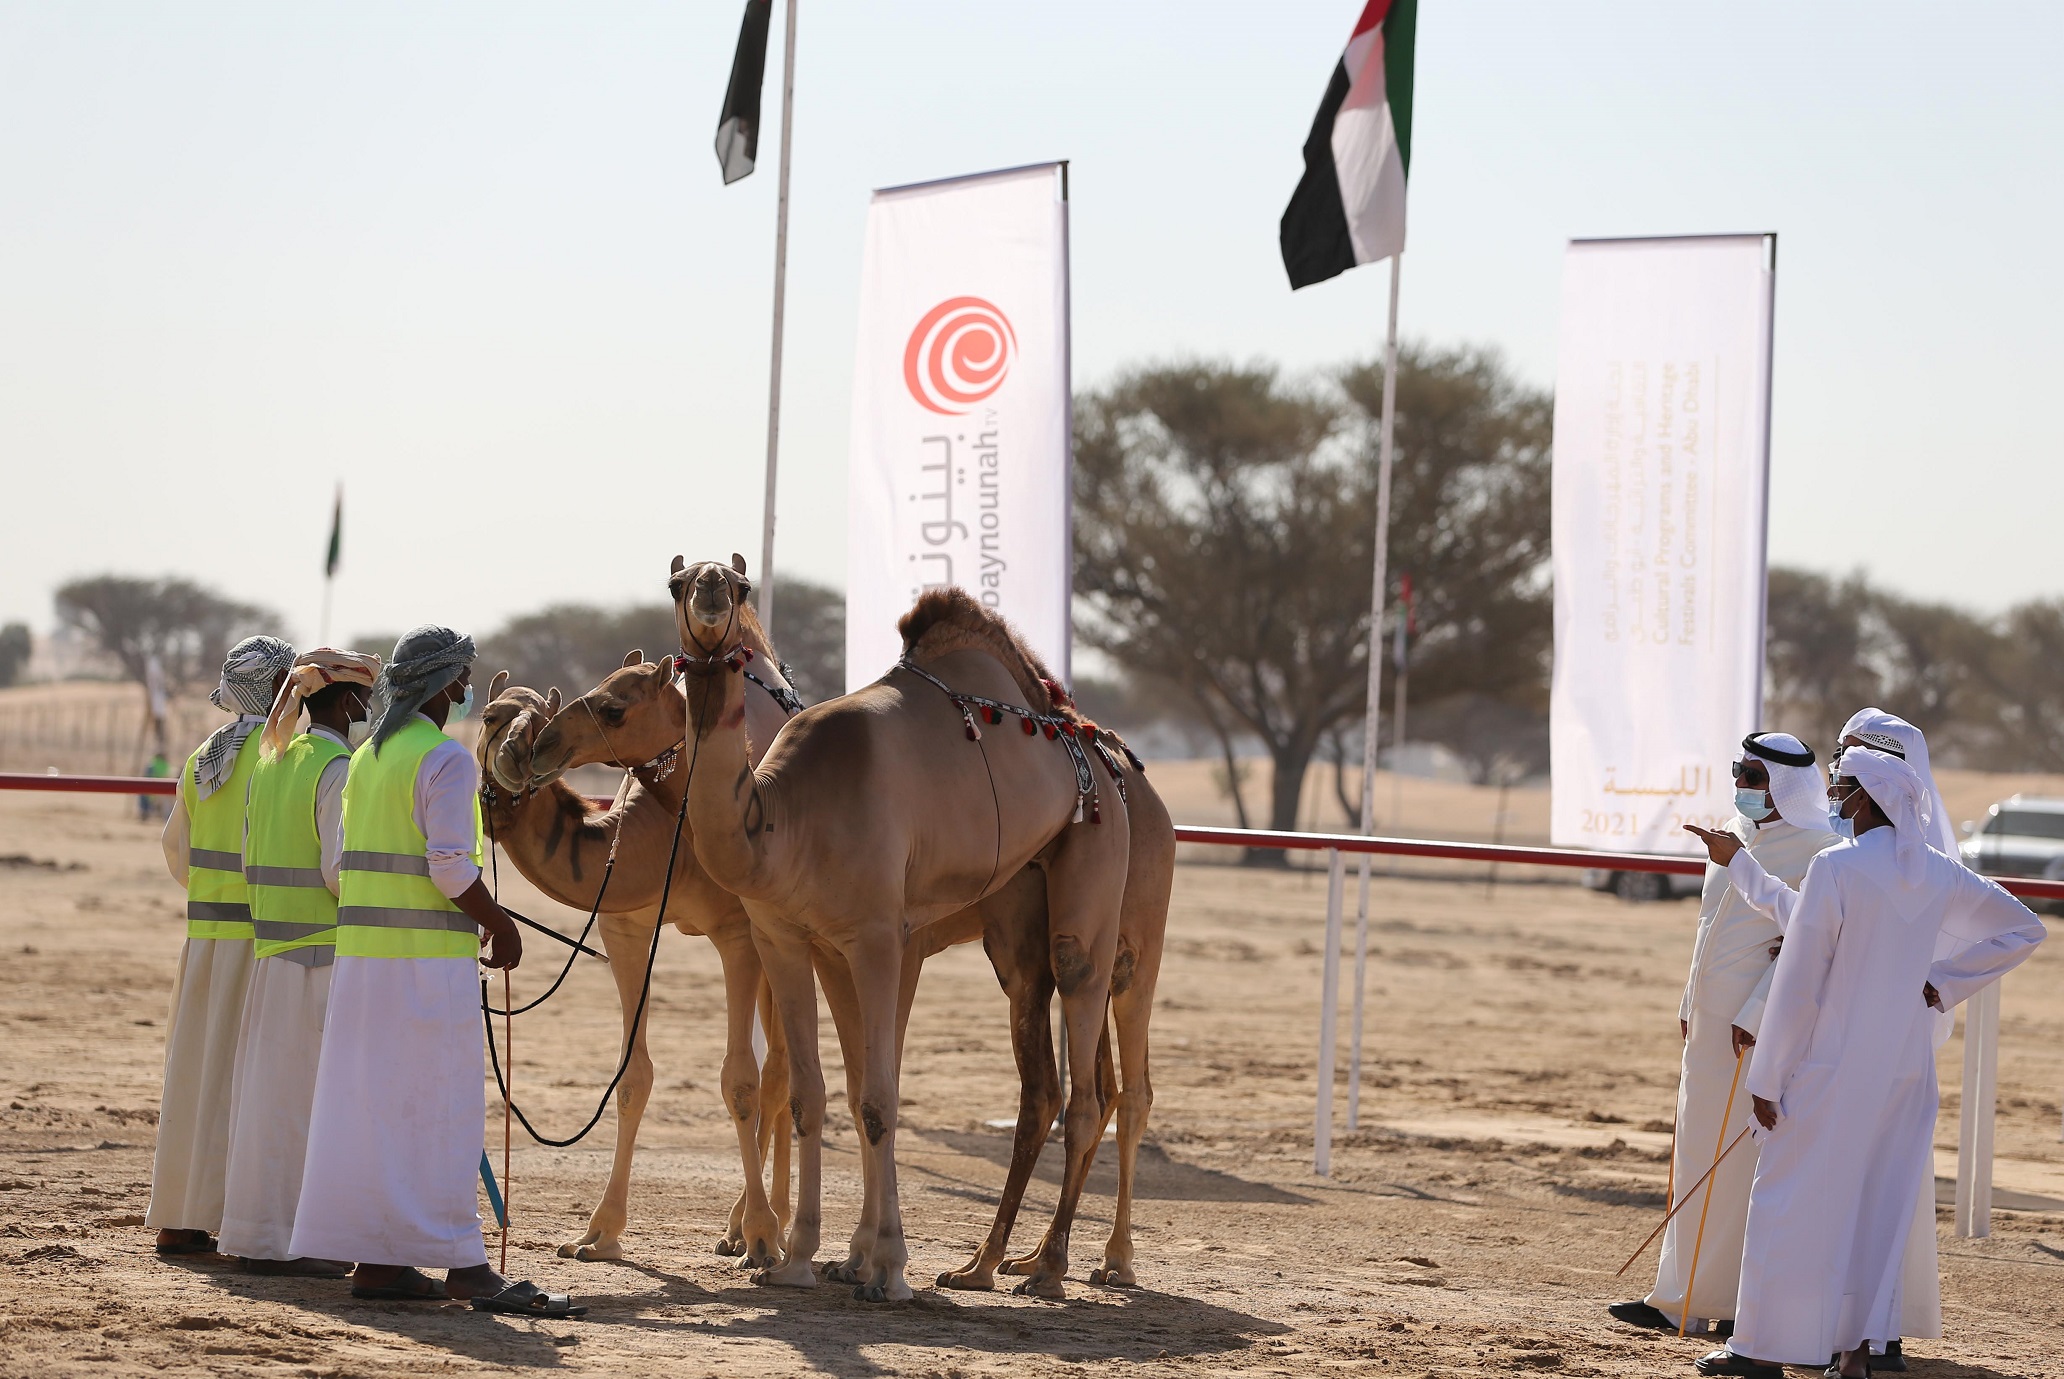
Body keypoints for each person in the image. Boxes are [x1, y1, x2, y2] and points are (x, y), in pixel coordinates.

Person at [1695, 748, 2043, 1379]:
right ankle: (1855, 1353)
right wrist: (1948, 979)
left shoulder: (1837, 866)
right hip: (1907, 1070)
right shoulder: (1937, 872)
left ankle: (1761, 1351)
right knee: (1876, 1207)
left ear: (1866, 796)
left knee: (1783, 1197)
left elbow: (1799, 980)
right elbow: (2024, 928)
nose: (1834, 797)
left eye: (1841, 786)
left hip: (1831, 1065)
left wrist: (1767, 1077)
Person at [287, 626, 580, 1316]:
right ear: (446, 684)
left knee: (380, 1116)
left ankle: (382, 1262)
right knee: (441, 1115)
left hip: (363, 974)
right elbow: (449, 866)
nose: (467, 691)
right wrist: (500, 922)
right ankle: (467, 1266)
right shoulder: (445, 760)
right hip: (422, 975)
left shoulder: (366, 758)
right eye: (464, 678)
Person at [1609, 732, 1833, 1336]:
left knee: (1735, 1171)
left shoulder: (1823, 850)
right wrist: (1689, 1000)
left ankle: (1730, 1307)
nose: (1742, 786)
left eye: (1754, 777)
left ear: (1787, 785)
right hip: (1707, 1026)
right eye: (1738, 771)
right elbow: (1710, 929)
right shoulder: (1733, 837)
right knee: (1692, 1155)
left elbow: (1804, 950)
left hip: (1754, 1033)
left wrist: (1758, 1013)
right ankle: (1675, 1296)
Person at [216, 649, 380, 1275]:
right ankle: (302, 1242)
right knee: (312, 1106)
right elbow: (339, 872)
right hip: (320, 958)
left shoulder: (274, 759)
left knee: (269, 1103)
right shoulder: (336, 765)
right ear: (344, 703)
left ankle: (261, 1237)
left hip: (273, 955)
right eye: (364, 699)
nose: (370, 710)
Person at [148, 635, 296, 1256]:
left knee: (195, 1077)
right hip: (261, 946)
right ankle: (247, 1220)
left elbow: (175, 853)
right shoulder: (281, 759)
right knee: (251, 1084)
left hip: (205, 942)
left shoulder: (201, 757)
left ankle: (182, 1217)